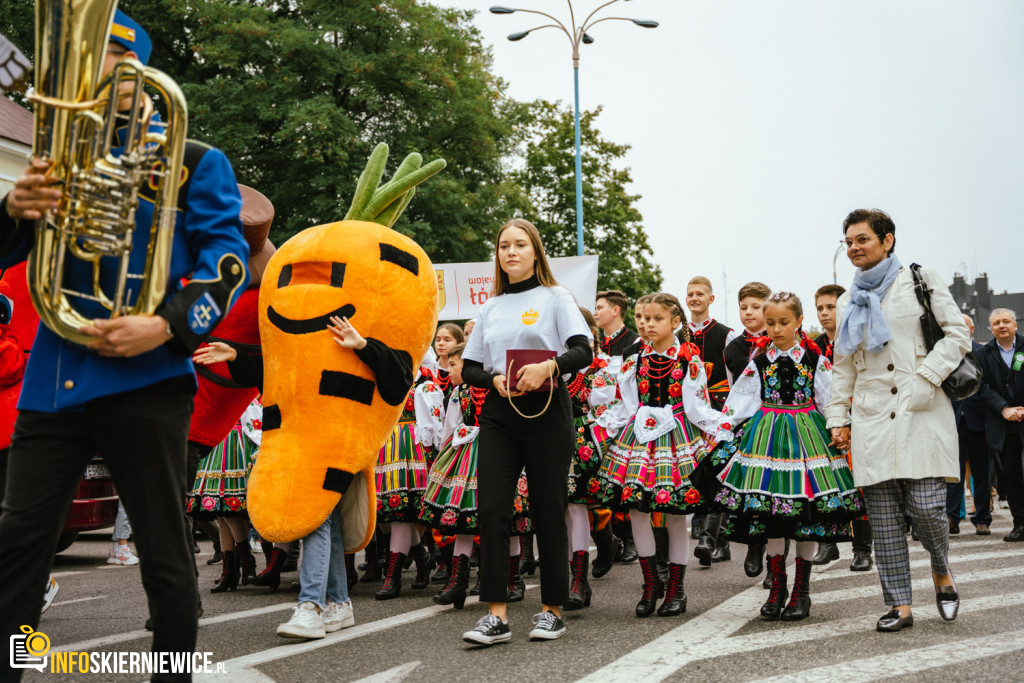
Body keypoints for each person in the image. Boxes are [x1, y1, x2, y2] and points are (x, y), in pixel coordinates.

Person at [0, 10, 249, 677]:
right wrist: (13, 210)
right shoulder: (51, 155)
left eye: (110, 54)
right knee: (18, 550)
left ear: (139, 72)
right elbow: (6, 252)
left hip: (149, 378)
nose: (93, 67)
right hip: (55, 376)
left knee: (166, 557)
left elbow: (227, 262)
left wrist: (166, 323)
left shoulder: (196, 160)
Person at [826, 209, 968, 632]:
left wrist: (927, 376)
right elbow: (843, 366)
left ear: (887, 241)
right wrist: (839, 417)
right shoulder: (849, 299)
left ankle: (941, 566)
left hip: (920, 404)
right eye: (848, 241)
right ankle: (899, 604)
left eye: (862, 239)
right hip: (871, 415)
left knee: (926, 508)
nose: (853, 247)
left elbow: (957, 334)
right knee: (884, 517)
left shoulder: (920, 280)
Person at [459, 218, 593, 645]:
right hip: (500, 411)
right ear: (497, 256)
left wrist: (547, 366)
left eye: (520, 245)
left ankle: (552, 609)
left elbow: (583, 349)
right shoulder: (491, 305)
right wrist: (491, 380)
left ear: (536, 252)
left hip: (549, 410)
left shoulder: (556, 297)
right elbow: (470, 367)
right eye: (503, 246)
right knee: (493, 510)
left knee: (547, 509)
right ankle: (495, 615)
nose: (511, 252)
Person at [696, 292, 863, 622]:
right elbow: (740, 401)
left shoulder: (815, 361)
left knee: (804, 518)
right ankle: (777, 588)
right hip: (766, 440)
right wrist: (723, 430)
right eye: (770, 322)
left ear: (799, 321)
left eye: (783, 322)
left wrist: (839, 426)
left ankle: (801, 591)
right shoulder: (758, 362)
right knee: (771, 514)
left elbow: (830, 397)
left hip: (808, 441)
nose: (775, 328)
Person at [592, 293, 719, 618]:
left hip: (677, 438)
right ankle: (651, 584)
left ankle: (676, 588)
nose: (648, 324)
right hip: (640, 440)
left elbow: (696, 407)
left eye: (656, 318)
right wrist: (609, 424)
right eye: (644, 318)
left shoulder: (688, 359)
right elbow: (629, 403)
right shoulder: (633, 356)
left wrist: (721, 429)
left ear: (676, 322)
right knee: (637, 509)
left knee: (676, 514)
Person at [419, 343, 530, 608]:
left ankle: (513, 580)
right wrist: (444, 460)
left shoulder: (501, 386)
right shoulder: (460, 391)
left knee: (509, 519)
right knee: (462, 519)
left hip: (500, 451)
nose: (449, 370)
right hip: (466, 457)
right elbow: (451, 426)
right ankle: (458, 582)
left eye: (454, 365)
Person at [811, 283, 875, 571]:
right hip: (822, 422)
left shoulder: (858, 340)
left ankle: (862, 549)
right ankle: (828, 543)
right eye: (820, 308)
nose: (825, 313)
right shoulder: (812, 348)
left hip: (858, 419)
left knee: (859, 485)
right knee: (824, 485)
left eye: (831, 307)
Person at [713, 281, 771, 576]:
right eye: (743, 307)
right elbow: (733, 388)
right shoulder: (733, 348)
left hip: (777, 423)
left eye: (756, 307)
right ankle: (754, 544)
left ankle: (773, 561)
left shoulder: (779, 340)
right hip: (746, 427)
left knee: (774, 491)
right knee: (748, 487)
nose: (748, 313)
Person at [686, 277, 736, 563]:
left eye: (700, 294)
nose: (695, 298)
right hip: (689, 409)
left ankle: (718, 537)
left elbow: (732, 378)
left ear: (711, 299)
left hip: (717, 407)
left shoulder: (725, 334)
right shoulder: (680, 334)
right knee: (695, 467)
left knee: (717, 469)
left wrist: (728, 412)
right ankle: (708, 531)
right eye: (690, 294)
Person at [975, 308, 1024, 542]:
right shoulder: (984, 354)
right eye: (996, 323)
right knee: (1011, 476)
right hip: (1003, 424)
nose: (1002, 326)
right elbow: (982, 386)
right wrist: (1004, 408)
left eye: (1006, 321)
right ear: (991, 328)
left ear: (1015, 325)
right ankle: (1020, 524)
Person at [945, 315, 991, 536]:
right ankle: (952, 518)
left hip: (979, 420)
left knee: (981, 472)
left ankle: (982, 519)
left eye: (965, 326)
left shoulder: (983, 352)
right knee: (953, 473)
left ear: (972, 329)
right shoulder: (944, 352)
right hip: (952, 420)